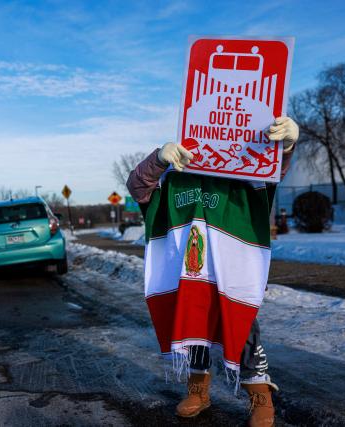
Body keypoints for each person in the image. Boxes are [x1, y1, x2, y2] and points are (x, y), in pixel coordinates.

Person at [126, 117, 299, 427]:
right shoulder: (176, 170)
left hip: (233, 274)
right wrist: (157, 159)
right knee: (195, 329)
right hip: (189, 274)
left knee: (243, 332)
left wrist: (286, 147)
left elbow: (273, 173)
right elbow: (137, 187)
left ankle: (259, 392)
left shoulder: (242, 167)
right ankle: (198, 389)